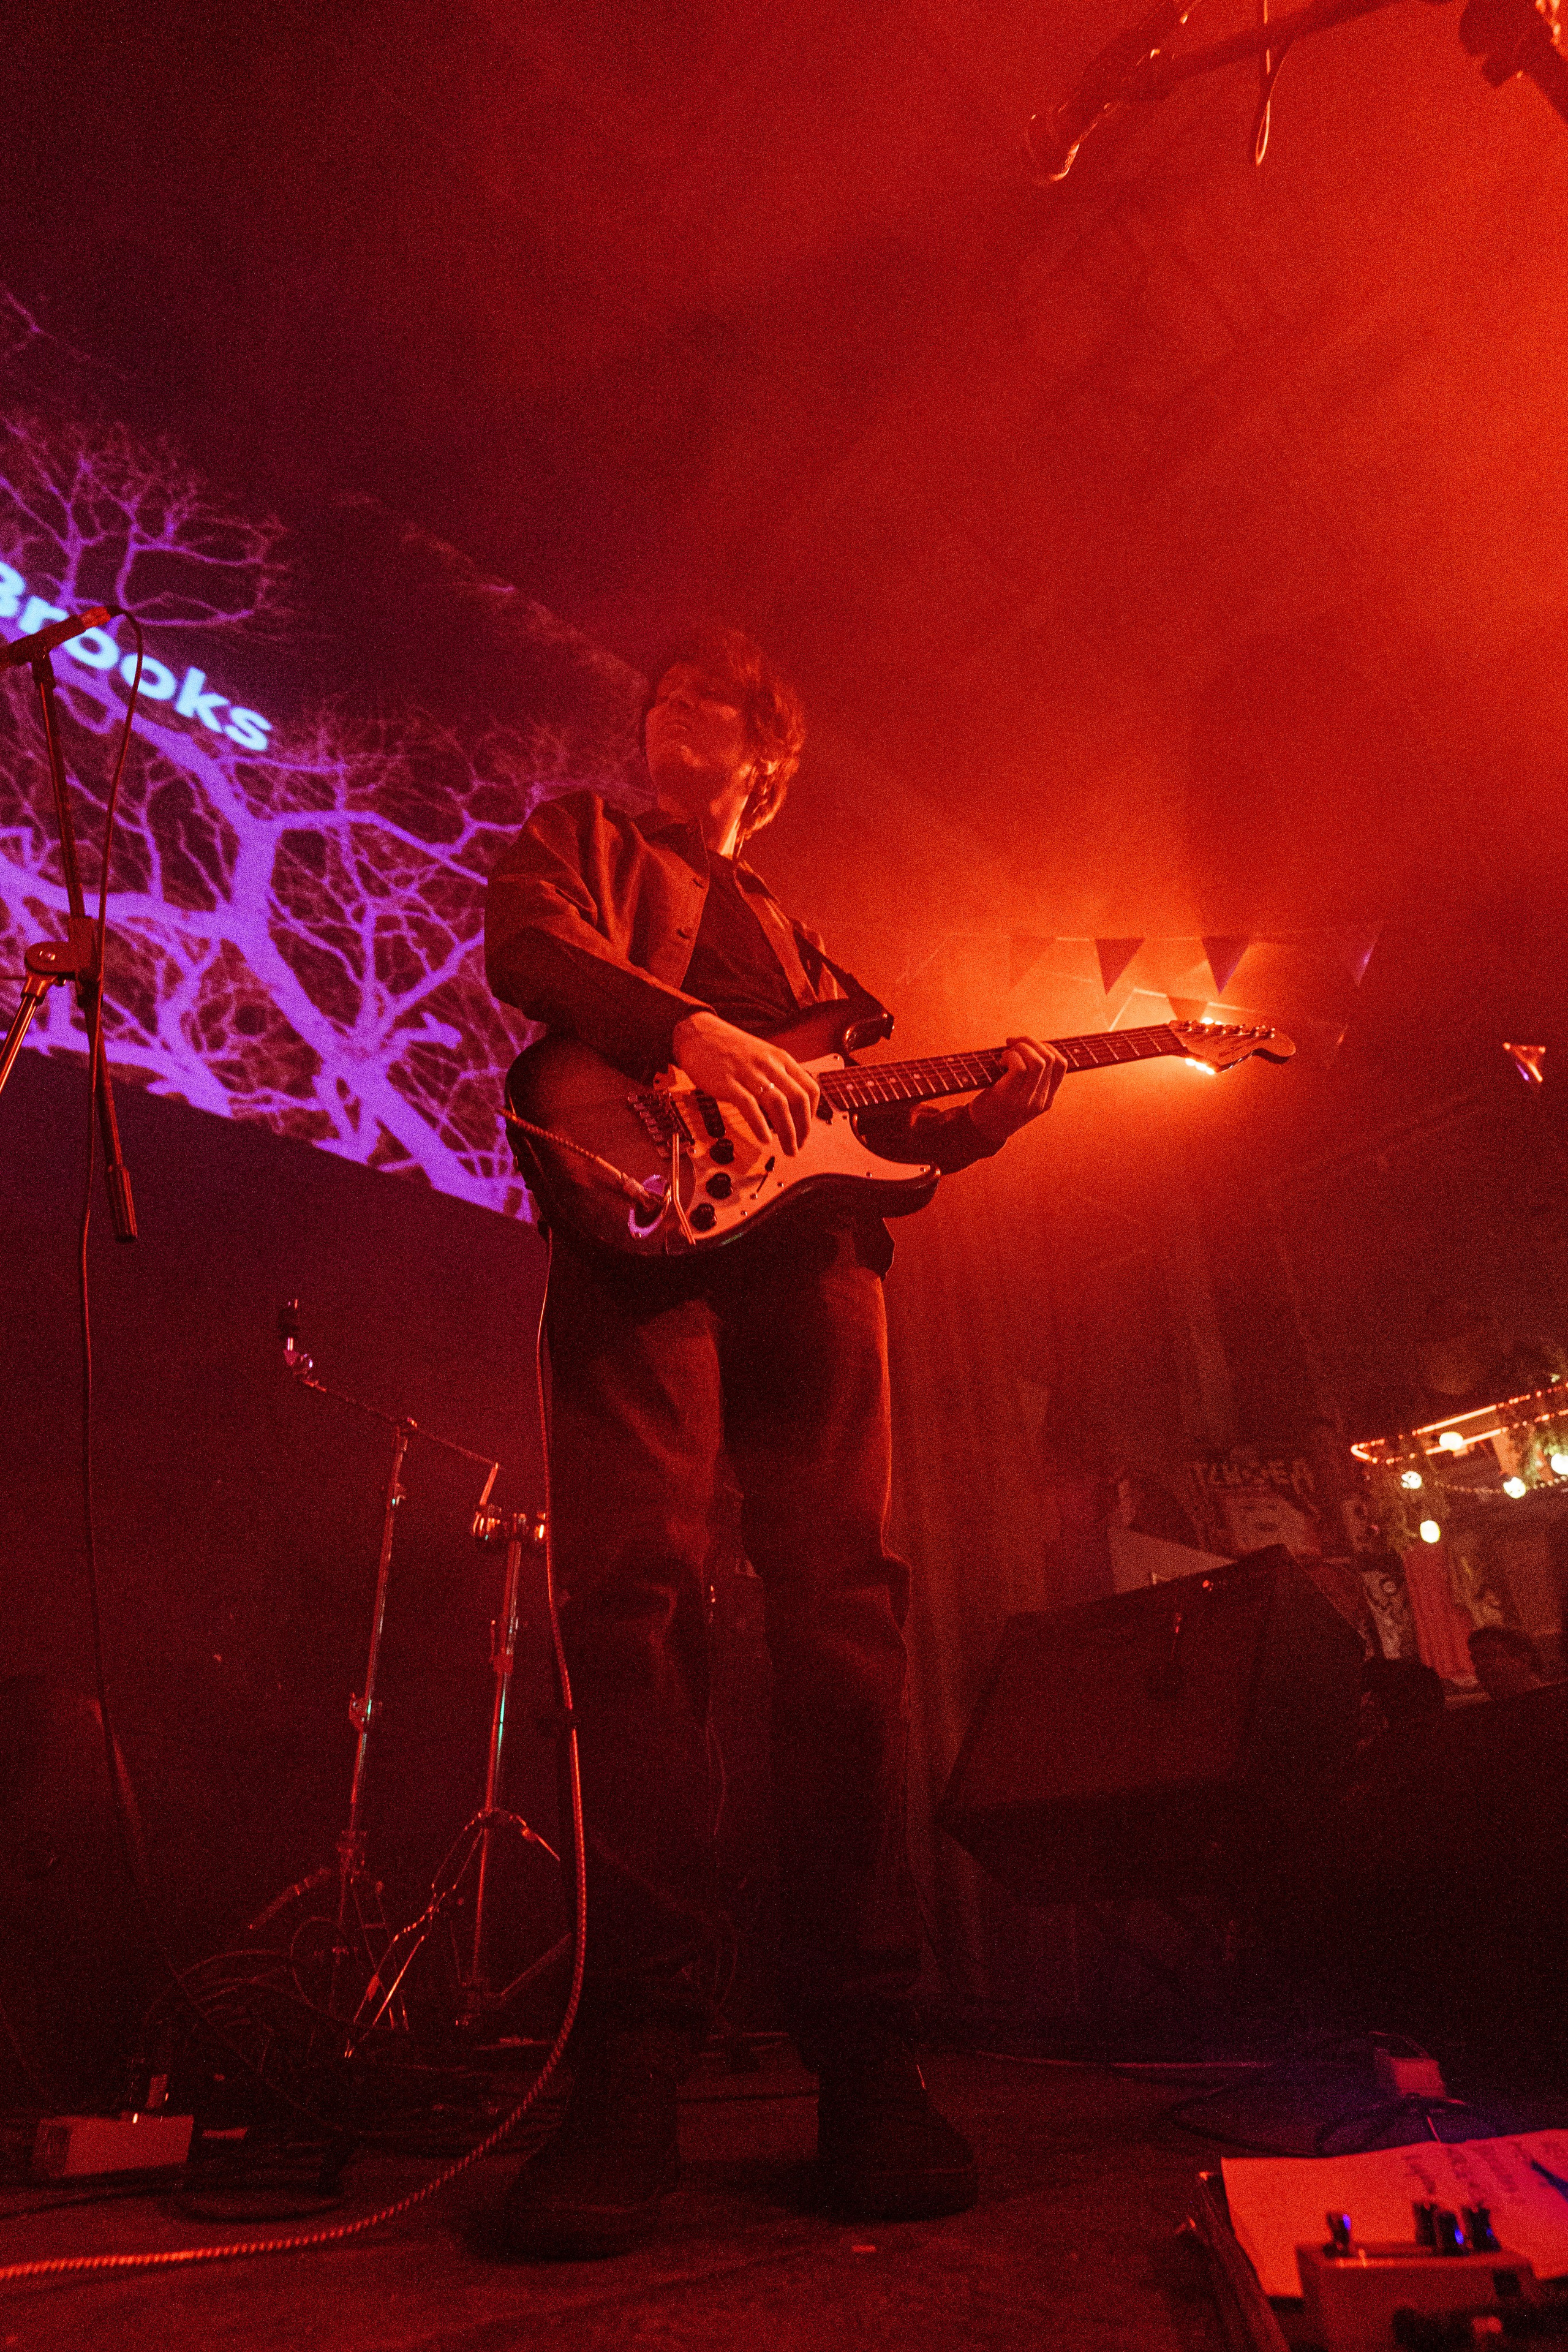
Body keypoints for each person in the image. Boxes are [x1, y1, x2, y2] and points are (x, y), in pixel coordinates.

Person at [483, 627, 1065, 2256]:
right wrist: (685, 1034)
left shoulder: (814, 958)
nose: (670, 725)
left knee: (844, 1629)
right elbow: (527, 951)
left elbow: (871, 1138)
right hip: (637, 1240)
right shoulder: (585, 846)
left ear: (771, 760)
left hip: (814, 1269)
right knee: (637, 1608)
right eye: (661, 705)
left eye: (709, 713)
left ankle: (867, 2059)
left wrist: (987, 1114)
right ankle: (634, 2070)